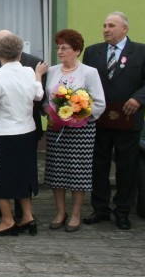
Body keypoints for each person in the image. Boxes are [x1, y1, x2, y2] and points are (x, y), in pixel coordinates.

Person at [82, 11, 145, 230]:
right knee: (98, 164)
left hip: (128, 119)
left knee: (127, 166)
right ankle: (100, 208)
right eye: (104, 25)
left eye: (111, 25)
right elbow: (86, 82)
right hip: (99, 118)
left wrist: (139, 98)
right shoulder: (93, 52)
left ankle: (123, 210)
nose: (106, 29)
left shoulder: (143, 52)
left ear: (124, 29)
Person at [0, 29, 46, 220]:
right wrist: (38, 76)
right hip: (28, 131)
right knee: (22, 176)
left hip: (4, 134)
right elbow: (38, 95)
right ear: (20, 53)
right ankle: (28, 217)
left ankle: (7, 220)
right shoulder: (29, 71)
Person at [43, 29, 106, 232]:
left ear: (77, 50)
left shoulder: (89, 72)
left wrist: (78, 114)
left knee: (78, 171)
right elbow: (46, 100)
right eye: (58, 47)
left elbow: (99, 102)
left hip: (81, 130)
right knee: (56, 171)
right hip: (56, 129)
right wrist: (51, 113)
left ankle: (76, 213)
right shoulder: (52, 71)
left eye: (65, 48)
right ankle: (60, 212)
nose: (60, 51)